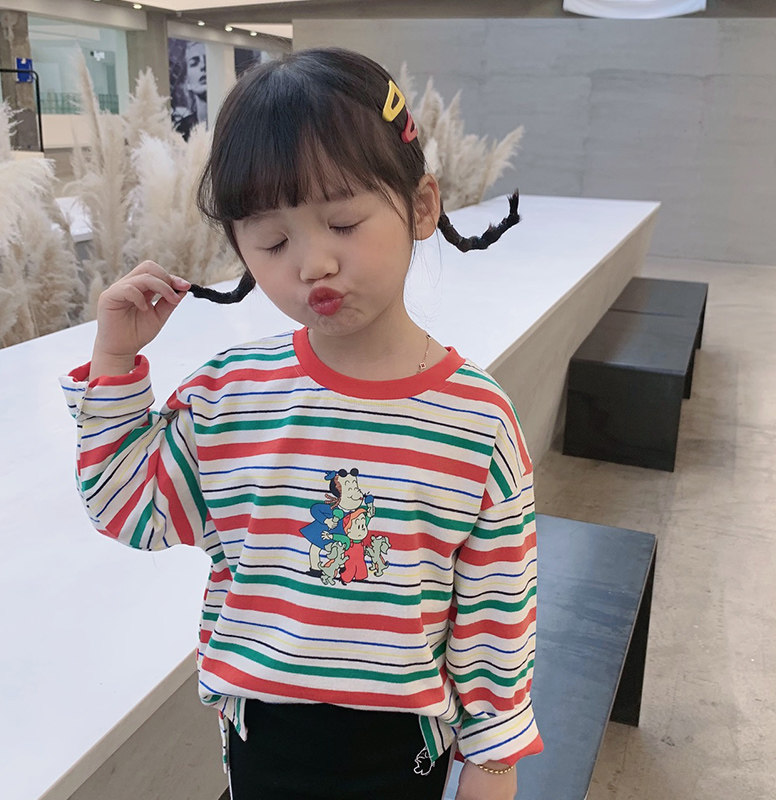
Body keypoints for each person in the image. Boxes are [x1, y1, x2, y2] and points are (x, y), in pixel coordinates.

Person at [61, 48, 541, 800]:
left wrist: (494, 760)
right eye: (273, 242)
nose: (312, 263)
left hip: (400, 750)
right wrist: (115, 361)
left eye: (342, 222)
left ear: (421, 206)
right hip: (261, 740)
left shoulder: (476, 420)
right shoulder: (230, 395)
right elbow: (130, 508)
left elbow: (496, 617)